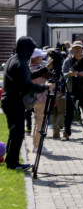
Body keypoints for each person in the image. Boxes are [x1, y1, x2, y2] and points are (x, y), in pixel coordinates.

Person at [2, 38, 55, 170]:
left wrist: (44, 69)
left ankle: (11, 160)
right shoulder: (20, 63)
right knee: (17, 134)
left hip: (10, 101)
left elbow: (27, 76)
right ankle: (12, 163)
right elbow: (26, 85)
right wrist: (45, 88)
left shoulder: (15, 59)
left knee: (15, 133)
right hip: (14, 102)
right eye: (31, 49)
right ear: (27, 49)